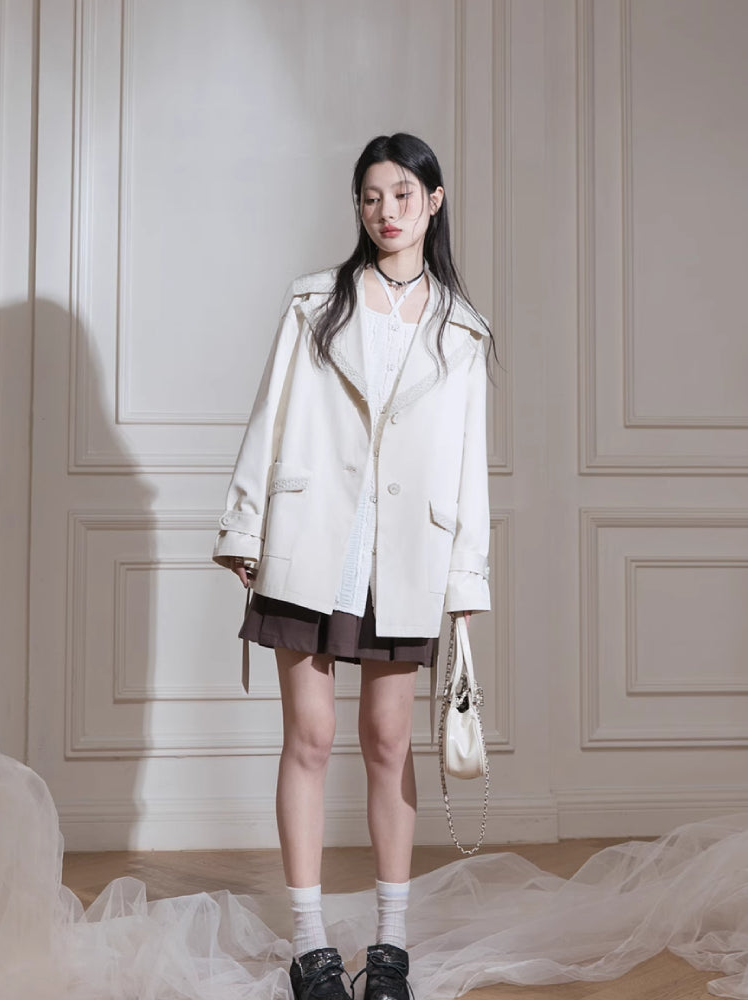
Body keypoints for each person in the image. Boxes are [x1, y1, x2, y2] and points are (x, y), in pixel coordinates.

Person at [213, 133, 495, 1000]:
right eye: (371, 197)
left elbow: (469, 465)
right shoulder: (315, 304)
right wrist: (245, 527)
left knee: (387, 741)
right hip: (311, 542)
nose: (385, 211)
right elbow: (269, 414)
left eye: (402, 194)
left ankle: (390, 947)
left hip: (404, 555)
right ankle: (309, 946)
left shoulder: (462, 329)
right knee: (309, 738)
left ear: (433, 201)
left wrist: (466, 579)